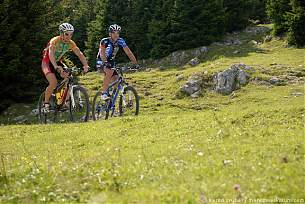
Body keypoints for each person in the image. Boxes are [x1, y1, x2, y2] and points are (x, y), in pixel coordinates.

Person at [41, 23, 89, 112]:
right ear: (61, 33)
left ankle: (64, 101)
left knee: (68, 78)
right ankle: (46, 103)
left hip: (58, 61)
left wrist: (85, 65)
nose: (69, 36)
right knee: (53, 82)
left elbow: (79, 54)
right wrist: (55, 66)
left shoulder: (71, 43)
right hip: (47, 62)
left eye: (71, 34)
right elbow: (51, 54)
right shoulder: (55, 41)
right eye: (67, 34)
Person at [96, 24, 139, 100]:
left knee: (116, 79)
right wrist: (105, 62)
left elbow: (128, 52)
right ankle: (104, 93)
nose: (116, 35)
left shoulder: (120, 41)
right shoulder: (104, 41)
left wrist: (135, 63)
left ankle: (111, 102)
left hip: (111, 61)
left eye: (117, 33)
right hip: (101, 60)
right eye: (114, 33)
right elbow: (102, 52)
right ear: (110, 34)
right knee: (109, 72)